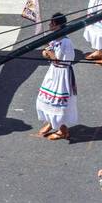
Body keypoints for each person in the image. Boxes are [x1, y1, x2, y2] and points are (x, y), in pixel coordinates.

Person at [35, 13, 78, 141]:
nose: (49, 25)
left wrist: (51, 55)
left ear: (57, 25)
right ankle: (51, 123)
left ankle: (63, 130)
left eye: (51, 23)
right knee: (44, 99)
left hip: (62, 76)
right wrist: (47, 53)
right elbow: (46, 52)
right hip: (53, 72)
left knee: (59, 103)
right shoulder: (54, 38)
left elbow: (66, 61)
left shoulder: (66, 42)